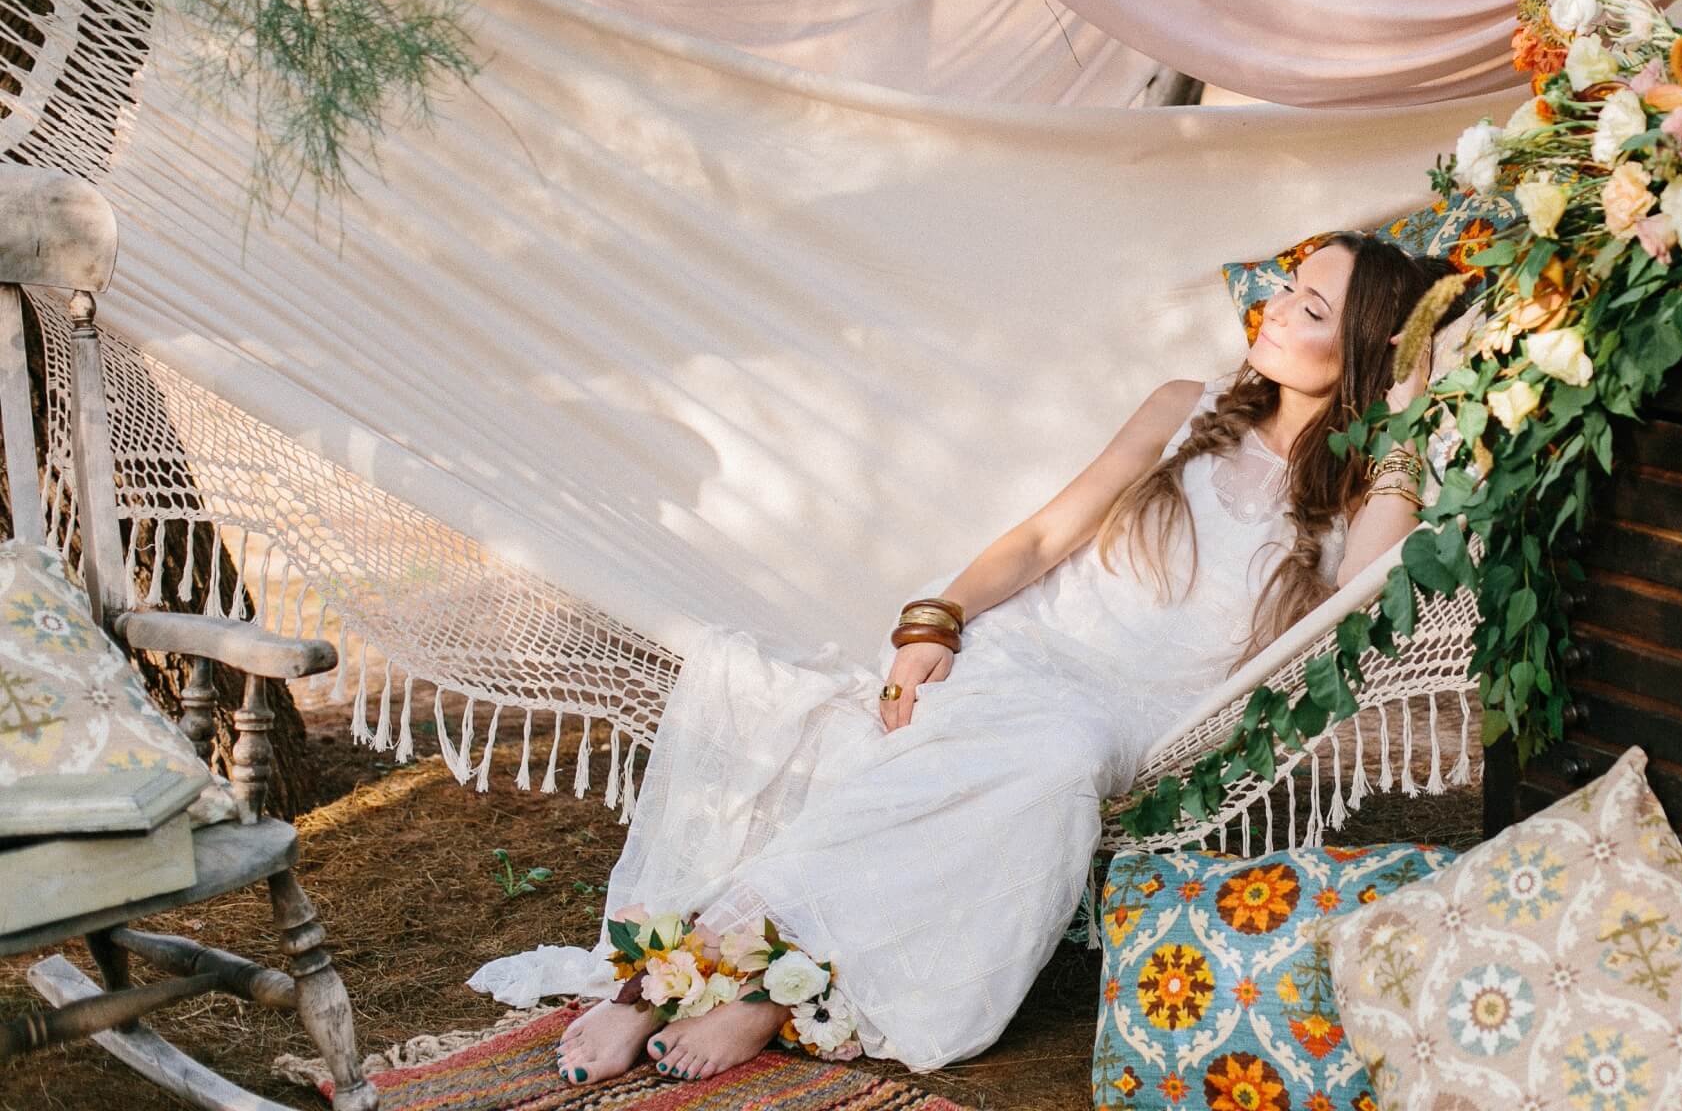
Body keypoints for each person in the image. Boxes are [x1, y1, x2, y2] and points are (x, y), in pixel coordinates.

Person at [473, 231, 1456, 1085]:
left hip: (1129, 718)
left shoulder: (1372, 487)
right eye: (1286, 287)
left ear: (1366, 349)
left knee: (1055, 760)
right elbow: (1043, 539)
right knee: (1003, 758)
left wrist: (1408, 395)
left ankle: (743, 978)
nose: (1273, 310)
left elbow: (1360, 600)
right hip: (1021, 653)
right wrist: (933, 622)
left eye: (1311, 308)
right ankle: (696, 984)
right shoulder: (1183, 406)